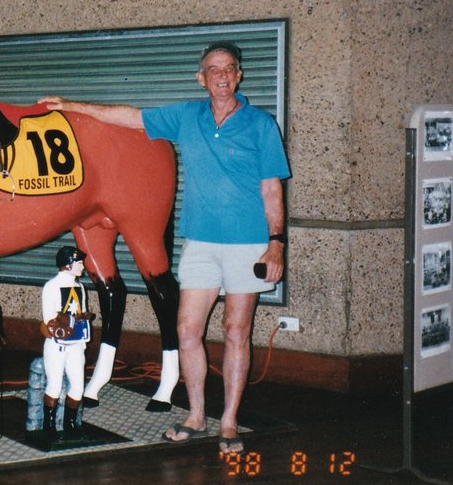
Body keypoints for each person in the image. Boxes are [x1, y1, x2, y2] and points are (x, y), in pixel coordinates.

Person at [42, 41, 290, 455]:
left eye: (230, 68)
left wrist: (276, 244)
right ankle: (196, 415)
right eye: (214, 69)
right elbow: (131, 117)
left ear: (239, 75)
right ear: (202, 78)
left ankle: (228, 422)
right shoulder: (187, 116)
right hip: (201, 242)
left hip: (247, 243)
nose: (223, 76)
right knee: (187, 330)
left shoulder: (261, 125)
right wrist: (71, 105)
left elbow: (272, 190)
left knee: (235, 330)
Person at [40, 246, 94, 439]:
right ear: (68, 265)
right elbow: (49, 319)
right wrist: (65, 323)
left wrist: (83, 342)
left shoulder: (80, 287)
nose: (82, 267)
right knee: (54, 385)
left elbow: (83, 313)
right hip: (57, 345)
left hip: (76, 344)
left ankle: (70, 424)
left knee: (78, 386)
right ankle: (49, 424)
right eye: (79, 263)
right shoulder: (51, 286)